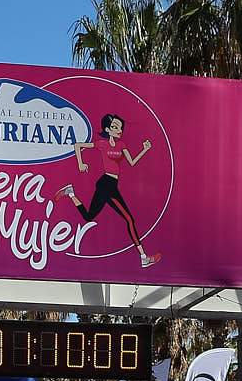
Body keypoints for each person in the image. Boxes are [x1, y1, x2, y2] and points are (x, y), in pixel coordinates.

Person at [55, 113, 162, 269]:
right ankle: (143, 257)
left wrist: (144, 149)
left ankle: (70, 193)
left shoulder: (121, 145)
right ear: (107, 129)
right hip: (106, 184)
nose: (119, 130)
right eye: (115, 127)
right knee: (129, 219)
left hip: (111, 185)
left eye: (120, 127)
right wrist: (80, 163)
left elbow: (132, 162)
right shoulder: (102, 144)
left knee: (88, 217)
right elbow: (78, 145)